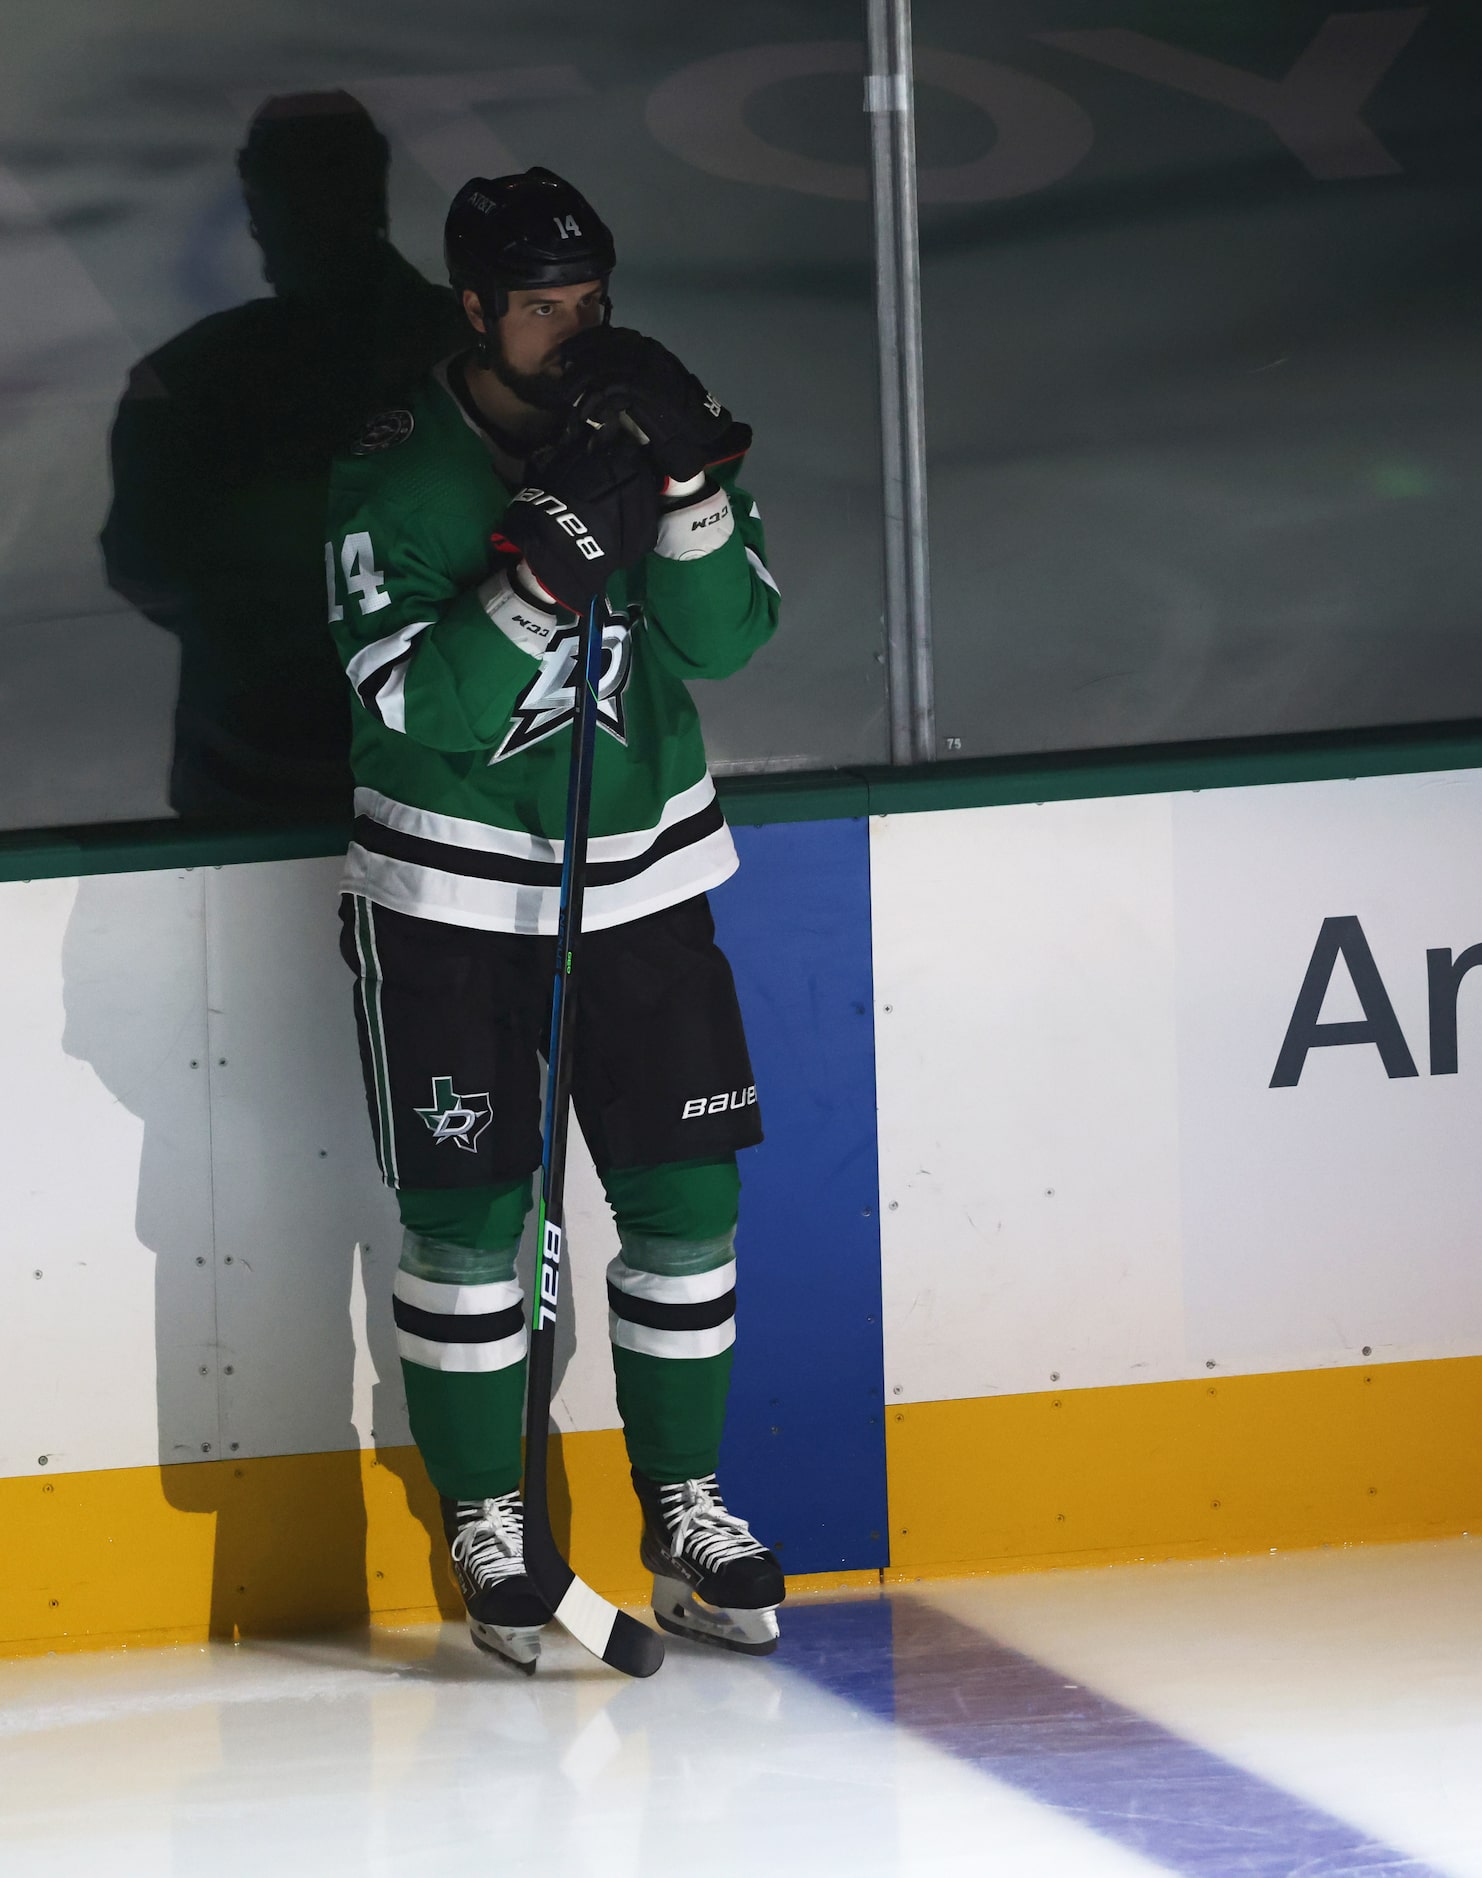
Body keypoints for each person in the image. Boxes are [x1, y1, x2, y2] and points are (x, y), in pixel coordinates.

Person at [324, 167, 785, 1670]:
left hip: (644, 874)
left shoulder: (638, 421)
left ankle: (685, 1509)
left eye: (591, 301)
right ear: (473, 308)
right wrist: (533, 580)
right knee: (466, 1219)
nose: (576, 331)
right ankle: (485, 1514)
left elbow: (730, 638)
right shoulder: (394, 474)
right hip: (453, 892)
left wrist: (691, 487)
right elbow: (417, 708)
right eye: (542, 309)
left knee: (688, 1206)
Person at [103, 91, 467, 821]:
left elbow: (144, 563)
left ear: (258, 202)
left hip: (254, 773)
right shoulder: (478, 356)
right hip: (451, 768)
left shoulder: (185, 377)